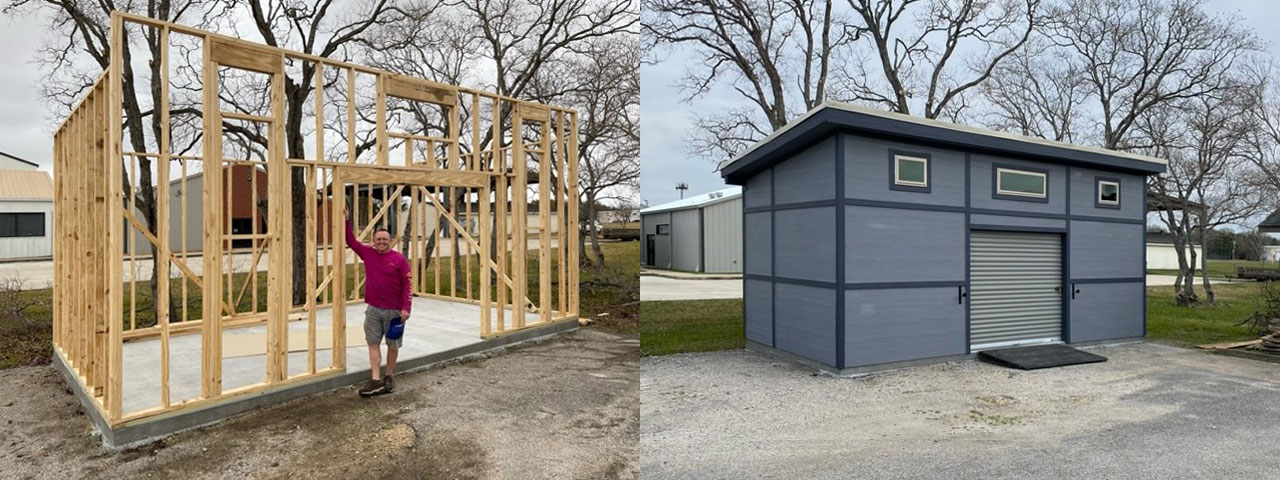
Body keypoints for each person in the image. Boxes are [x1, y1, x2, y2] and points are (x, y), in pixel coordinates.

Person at [344, 204, 412, 396]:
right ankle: (375, 379)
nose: (381, 242)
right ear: (373, 242)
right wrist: (346, 221)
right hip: (373, 310)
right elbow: (350, 240)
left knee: (392, 344)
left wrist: (406, 308)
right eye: (378, 239)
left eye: (385, 239)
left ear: (390, 241)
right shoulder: (368, 254)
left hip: (394, 311)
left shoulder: (399, 259)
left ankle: (388, 376)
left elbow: (408, 284)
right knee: (373, 343)